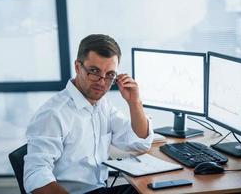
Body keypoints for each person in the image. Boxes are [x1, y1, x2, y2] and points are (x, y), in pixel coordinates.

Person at [23, 34, 154, 194]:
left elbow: (139, 143)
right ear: (78, 67)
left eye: (110, 75)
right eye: (94, 71)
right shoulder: (53, 114)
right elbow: (36, 176)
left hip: (100, 189)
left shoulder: (102, 104)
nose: (101, 82)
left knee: (153, 190)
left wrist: (135, 102)